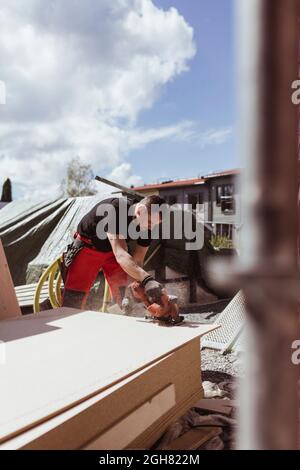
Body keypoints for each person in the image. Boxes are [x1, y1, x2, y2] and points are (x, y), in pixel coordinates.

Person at [61, 195, 166, 309]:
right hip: (89, 247)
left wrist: (136, 284)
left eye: (156, 224)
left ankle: (122, 312)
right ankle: (70, 316)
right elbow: (120, 254)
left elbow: (138, 260)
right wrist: (147, 279)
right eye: (150, 222)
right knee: (75, 298)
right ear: (139, 212)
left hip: (113, 250)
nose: (151, 227)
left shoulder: (148, 226)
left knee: (123, 293)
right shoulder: (116, 209)